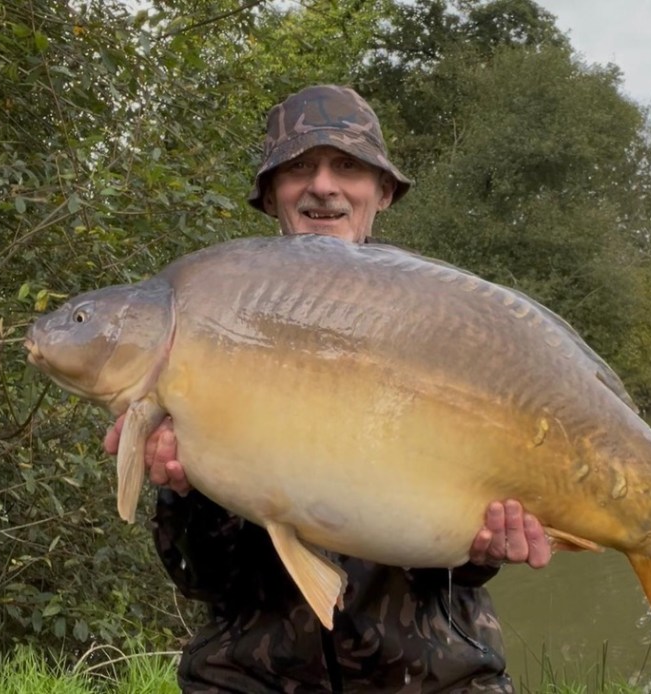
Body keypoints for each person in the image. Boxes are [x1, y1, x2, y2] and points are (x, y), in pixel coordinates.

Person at [104, 85, 551, 693]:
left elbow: (462, 562)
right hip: (252, 678)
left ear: (382, 191)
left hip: (435, 676)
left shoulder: (445, 319)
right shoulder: (207, 320)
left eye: (347, 166)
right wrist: (186, 492)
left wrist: (486, 549)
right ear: (270, 196)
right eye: (298, 169)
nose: (322, 186)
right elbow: (201, 581)